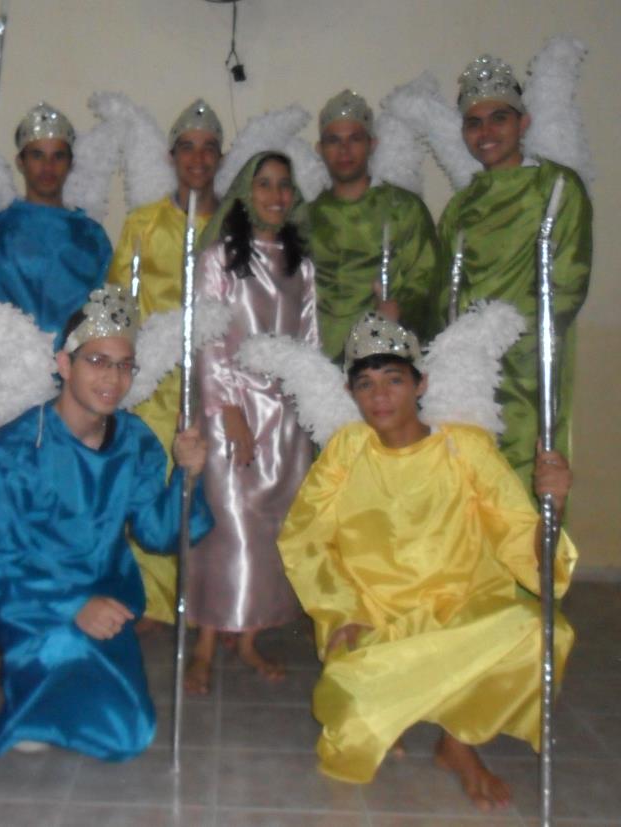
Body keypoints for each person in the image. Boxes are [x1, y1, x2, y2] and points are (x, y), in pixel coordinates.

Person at [278, 312, 576, 811]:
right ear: (351, 393)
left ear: (421, 384)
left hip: (462, 610)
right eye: (366, 384)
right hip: (377, 619)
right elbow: (305, 537)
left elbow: (516, 532)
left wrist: (556, 504)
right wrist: (343, 610)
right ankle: (395, 703)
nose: (379, 397)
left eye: (393, 380)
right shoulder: (348, 449)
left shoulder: (465, 447)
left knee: (544, 632)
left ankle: (456, 743)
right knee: (350, 728)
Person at [0, 285, 212, 764]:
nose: (113, 378)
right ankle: (32, 696)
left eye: (124, 365)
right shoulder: (14, 450)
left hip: (107, 602)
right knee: (121, 732)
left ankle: (50, 697)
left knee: (129, 730)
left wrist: (187, 477)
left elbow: (159, 533)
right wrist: (73, 604)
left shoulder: (135, 440)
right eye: (97, 361)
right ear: (64, 364)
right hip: (33, 606)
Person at [0, 102, 112, 645]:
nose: (47, 166)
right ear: (21, 161)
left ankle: (63, 604)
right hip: (8, 379)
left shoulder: (90, 235)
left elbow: (99, 310)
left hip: (67, 380)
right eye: (37, 155)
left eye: (58, 156)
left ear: (70, 163)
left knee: (62, 494)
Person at [183, 151, 318, 695]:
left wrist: (310, 407)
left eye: (285, 185)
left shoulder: (301, 264)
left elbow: (310, 341)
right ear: (245, 192)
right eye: (265, 184)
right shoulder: (218, 258)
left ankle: (248, 636)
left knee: (269, 530)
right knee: (227, 526)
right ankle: (205, 643)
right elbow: (208, 337)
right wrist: (228, 408)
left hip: (285, 418)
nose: (276, 195)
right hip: (231, 410)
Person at [436, 55, 592, 493]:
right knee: (471, 484)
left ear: (523, 123)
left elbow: (568, 283)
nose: (485, 132)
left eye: (498, 118)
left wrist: (507, 339)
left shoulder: (556, 188)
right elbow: (445, 294)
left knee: (531, 480)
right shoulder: (461, 207)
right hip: (469, 371)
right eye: (473, 123)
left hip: (531, 364)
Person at [107, 98, 223, 626]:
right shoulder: (144, 224)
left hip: (216, 381)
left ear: (220, 158)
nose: (198, 158)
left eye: (208, 148)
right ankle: (153, 603)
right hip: (155, 383)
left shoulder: (233, 225)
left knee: (216, 488)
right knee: (153, 483)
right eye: (187, 148)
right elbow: (119, 301)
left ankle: (213, 602)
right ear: (171, 156)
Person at [310, 90, 440, 362]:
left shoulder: (403, 209)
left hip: (385, 356)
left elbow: (427, 282)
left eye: (355, 139)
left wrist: (398, 313)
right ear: (320, 149)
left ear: (372, 144)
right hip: (318, 361)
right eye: (334, 140)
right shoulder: (307, 218)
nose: (344, 150)